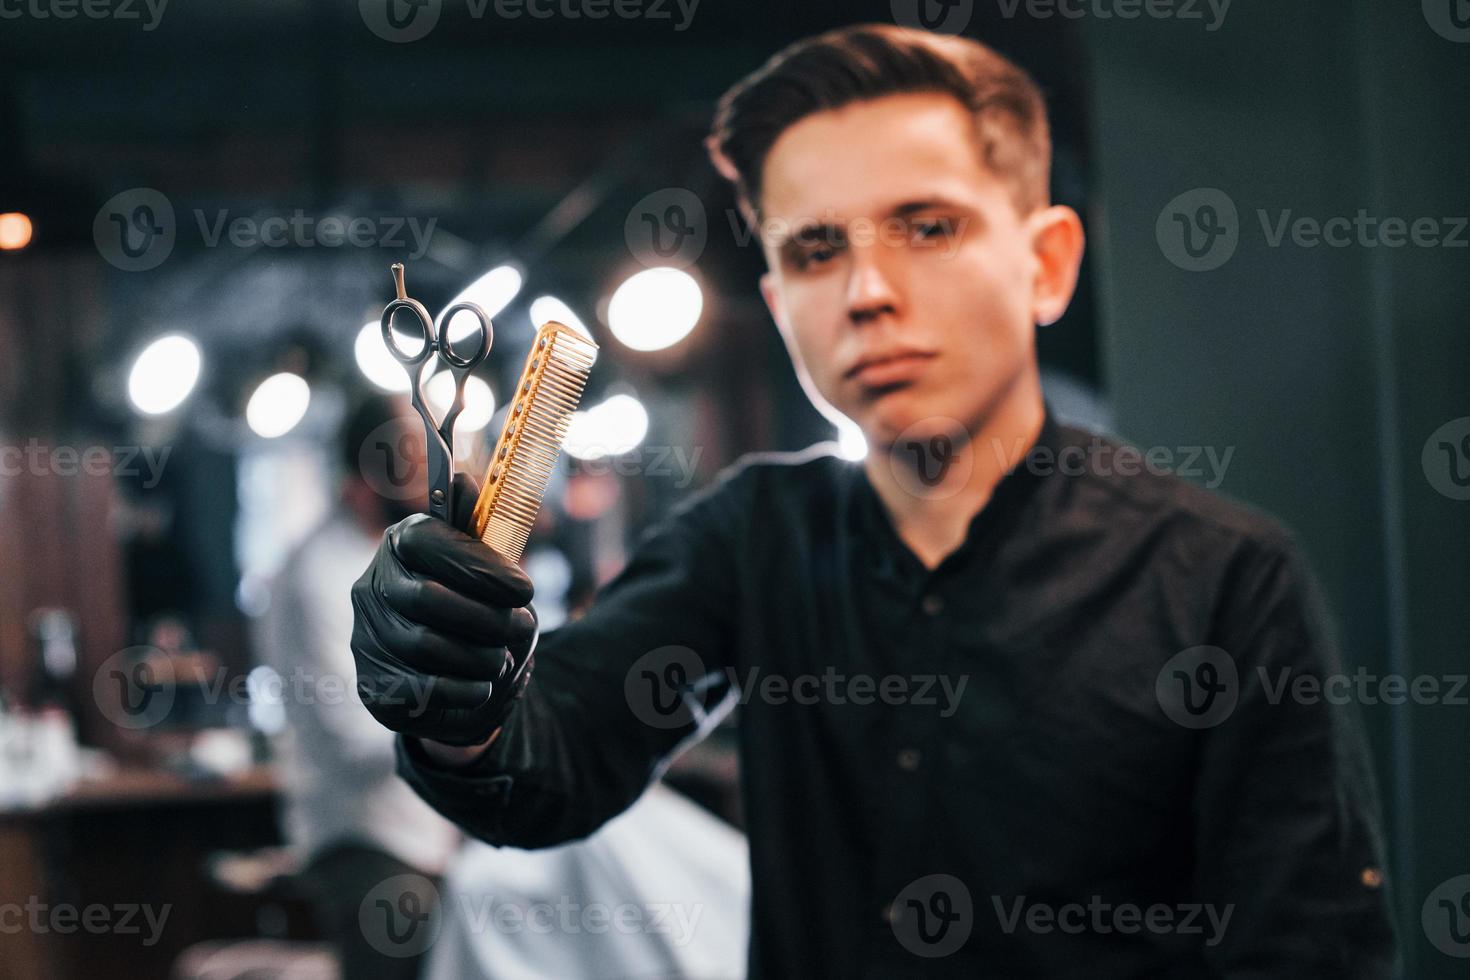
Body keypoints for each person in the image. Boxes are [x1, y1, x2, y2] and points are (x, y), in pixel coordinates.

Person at [347, 24, 1398, 977]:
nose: (865, 292)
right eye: (813, 249)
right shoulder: (751, 539)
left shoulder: (1219, 579)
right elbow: (553, 756)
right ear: (775, 297)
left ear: (1046, 263)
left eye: (927, 227)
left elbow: (1307, 952)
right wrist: (454, 699)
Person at [257, 393, 459, 979]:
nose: (434, 465)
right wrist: (454, 718)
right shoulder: (312, 576)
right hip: (361, 839)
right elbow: (349, 736)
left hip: (434, 832)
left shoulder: (408, 555)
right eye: (415, 452)